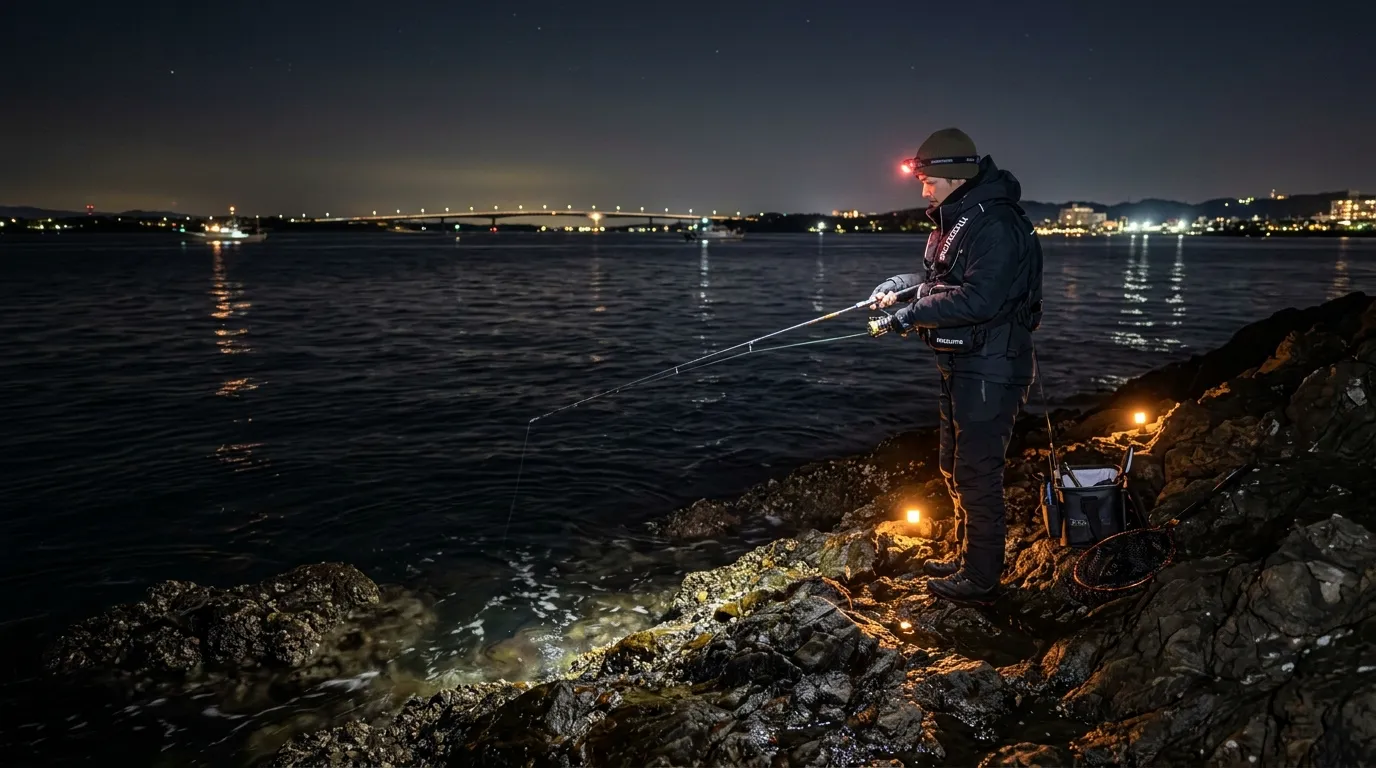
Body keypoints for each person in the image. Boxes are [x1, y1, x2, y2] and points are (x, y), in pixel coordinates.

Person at [868, 127, 1044, 603]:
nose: (923, 189)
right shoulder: (957, 222)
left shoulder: (997, 225)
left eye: (927, 180)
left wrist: (908, 315)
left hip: (993, 366)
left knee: (977, 472)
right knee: (951, 465)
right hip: (960, 362)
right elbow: (934, 280)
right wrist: (896, 287)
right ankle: (967, 557)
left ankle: (981, 580)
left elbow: (980, 299)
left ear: (952, 178)